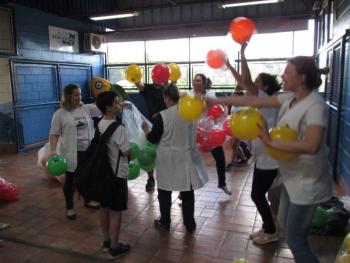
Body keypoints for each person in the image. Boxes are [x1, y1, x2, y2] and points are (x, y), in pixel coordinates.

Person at [206, 56, 332, 263]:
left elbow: (312, 145)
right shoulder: (288, 98)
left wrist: (270, 140)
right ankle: (271, 229)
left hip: (308, 181)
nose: (282, 75)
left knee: (296, 240)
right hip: (292, 175)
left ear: (301, 78)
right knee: (283, 222)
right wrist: (217, 100)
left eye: (287, 72)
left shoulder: (315, 105)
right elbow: (253, 100)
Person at [226, 42, 281, 245]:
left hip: (270, 157)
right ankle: (268, 227)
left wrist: (242, 53)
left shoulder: (265, 98)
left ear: (264, 87)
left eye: (258, 82)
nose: (252, 85)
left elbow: (245, 80)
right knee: (261, 194)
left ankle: (272, 231)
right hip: (264, 156)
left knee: (257, 194)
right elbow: (243, 81)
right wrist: (230, 65)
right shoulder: (263, 98)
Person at [142, 83, 208, 232]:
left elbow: (152, 139)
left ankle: (165, 222)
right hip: (187, 156)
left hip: (168, 158)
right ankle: (190, 224)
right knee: (187, 192)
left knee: (165, 191)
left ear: (166, 98)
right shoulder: (190, 112)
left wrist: (146, 129)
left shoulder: (162, 116)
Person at [49, 83, 100, 220]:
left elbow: (101, 107)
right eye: (76, 95)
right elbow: (54, 134)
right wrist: (53, 151)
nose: (79, 97)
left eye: (80, 94)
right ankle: (70, 207)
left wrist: (122, 104)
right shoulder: (59, 114)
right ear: (68, 96)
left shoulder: (85, 108)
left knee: (87, 177)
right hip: (71, 152)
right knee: (71, 180)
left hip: (87, 150)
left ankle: (88, 200)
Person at [95, 91, 131, 259]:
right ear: (109, 108)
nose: (119, 104)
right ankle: (115, 247)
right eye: (116, 102)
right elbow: (126, 152)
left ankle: (106, 241)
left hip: (102, 174)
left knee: (104, 207)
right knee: (116, 211)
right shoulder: (119, 128)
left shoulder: (100, 123)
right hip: (117, 175)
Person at [190, 74, 231, 195]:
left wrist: (224, 113)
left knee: (220, 158)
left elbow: (222, 106)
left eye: (198, 81)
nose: (196, 82)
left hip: (209, 131)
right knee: (190, 161)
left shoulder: (210, 95)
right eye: (194, 80)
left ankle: (222, 183)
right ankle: (185, 190)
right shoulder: (188, 95)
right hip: (194, 131)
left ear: (203, 83)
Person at [135, 81, 167, 192]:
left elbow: (175, 105)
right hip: (149, 122)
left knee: (163, 153)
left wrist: (162, 114)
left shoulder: (167, 88)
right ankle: (151, 178)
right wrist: (136, 78)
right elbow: (140, 86)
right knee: (149, 151)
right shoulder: (148, 88)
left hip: (165, 123)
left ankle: (165, 181)